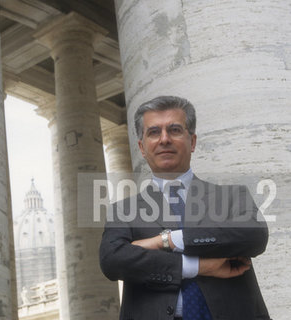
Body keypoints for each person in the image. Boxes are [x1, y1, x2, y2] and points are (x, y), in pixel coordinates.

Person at [99, 96, 270, 320]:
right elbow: (112, 261)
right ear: (142, 147)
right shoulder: (123, 210)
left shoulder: (231, 196)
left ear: (193, 141)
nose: (164, 139)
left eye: (175, 130)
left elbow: (253, 236)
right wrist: (196, 266)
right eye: (153, 132)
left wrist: (167, 240)